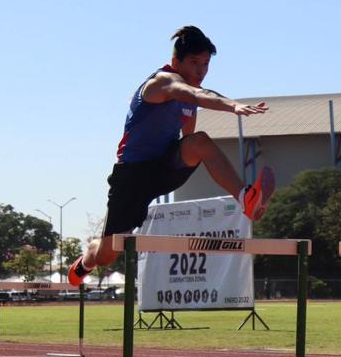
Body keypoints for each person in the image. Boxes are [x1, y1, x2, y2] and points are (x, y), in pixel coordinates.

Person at [67, 26, 273, 286]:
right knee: (108, 254)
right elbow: (195, 93)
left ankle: (246, 198)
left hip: (163, 168)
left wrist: (190, 157)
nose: (201, 71)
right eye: (195, 63)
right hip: (133, 174)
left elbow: (190, 135)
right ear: (176, 61)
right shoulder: (162, 82)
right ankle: (86, 260)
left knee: (200, 141)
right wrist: (232, 105)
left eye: (206, 64)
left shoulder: (190, 99)